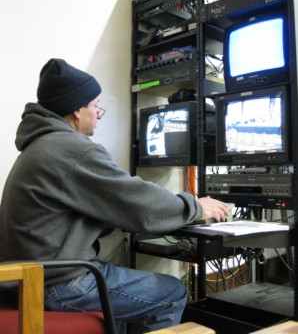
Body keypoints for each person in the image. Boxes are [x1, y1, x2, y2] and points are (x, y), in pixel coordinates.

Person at [0, 58, 228, 333]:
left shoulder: (39, 146)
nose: (98, 114)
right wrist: (196, 206)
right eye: (95, 106)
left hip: (26, 282)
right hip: (58, 285)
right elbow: (139, 203)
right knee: (171, 293)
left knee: (123, 305)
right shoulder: (71, 149)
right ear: (76, 110)